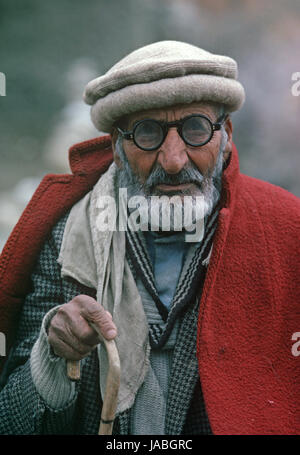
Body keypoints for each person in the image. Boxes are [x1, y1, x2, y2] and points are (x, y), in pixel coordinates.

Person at [0, 40, 299, 435]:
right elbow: (11, 422)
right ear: (117, 147)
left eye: (195, 128)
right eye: (147, 133)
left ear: (224, 136)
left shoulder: (286, 232)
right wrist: (52, 355)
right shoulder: (66, 240)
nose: (173, 160)